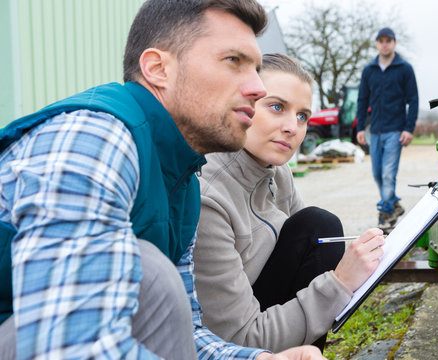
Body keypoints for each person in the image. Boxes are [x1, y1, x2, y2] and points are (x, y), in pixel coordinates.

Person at [0, 1, 325, 359]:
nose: (258, 87)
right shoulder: (94, 141)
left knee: (156, 285)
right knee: (151, 271)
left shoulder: (182, 182)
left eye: (258, 68)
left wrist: (260, 358)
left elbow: (185, 334)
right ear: (158, 68)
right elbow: (68, 347)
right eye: (234, 61)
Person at [194, 53, 386, 352]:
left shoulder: (277, 171)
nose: (292, 128)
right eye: (276, 107)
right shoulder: (207, 197)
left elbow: (311, 249)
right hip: (232, 346)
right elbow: (238, 341)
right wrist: (340, 283)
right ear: (243, 103)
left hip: (265, 312)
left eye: (302, 116)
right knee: (321, 227)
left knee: (320, 228)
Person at [355, 27, 419, 233]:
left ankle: (386, 215)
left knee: (388, 174)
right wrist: (360, 128)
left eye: (388, 40)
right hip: (375, 130)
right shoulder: (369, 71)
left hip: (395, 130)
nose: (384, 44)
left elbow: (413, 100)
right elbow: (362, 100)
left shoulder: (404, 69)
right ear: (376, 44)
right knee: (377, 173)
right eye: (381, 40)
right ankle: (395, 206)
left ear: (394, 43)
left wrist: (409, 128)